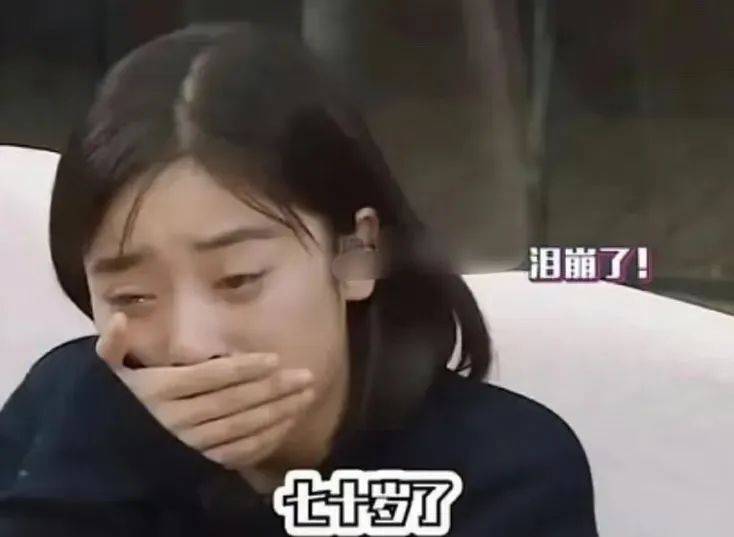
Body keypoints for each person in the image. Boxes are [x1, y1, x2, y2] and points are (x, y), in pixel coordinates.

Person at [0, 23, 598, 536]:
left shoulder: (504, 474)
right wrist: (102, 466)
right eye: (131, 296)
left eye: (238, 279)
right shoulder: (73, 416)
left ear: (358, 252)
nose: (190, 344)